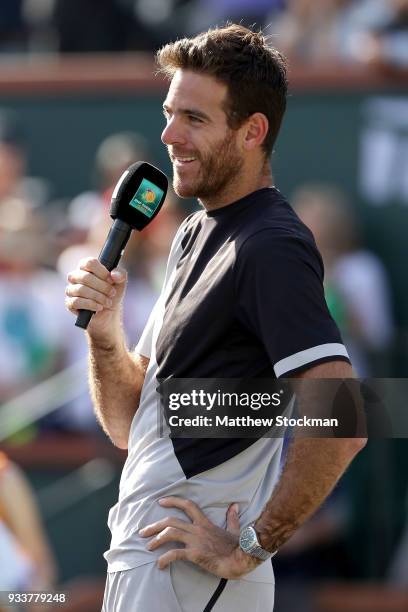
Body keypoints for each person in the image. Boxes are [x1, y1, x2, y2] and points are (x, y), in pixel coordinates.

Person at [65, 24, 366, 611]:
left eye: (195, 120)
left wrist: (251, 546)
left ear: (253, 131)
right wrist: (105, 337)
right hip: (156, 567)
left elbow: (345, 416)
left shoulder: (272, 243)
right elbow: (132, 424)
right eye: (169, 112)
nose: (169, 135)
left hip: (189, 578)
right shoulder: (195, 232)